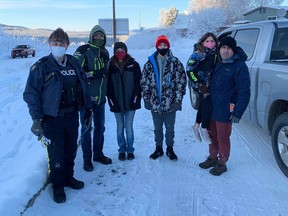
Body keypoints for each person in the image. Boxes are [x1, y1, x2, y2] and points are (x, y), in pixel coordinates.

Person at [23, 28, 92, 203]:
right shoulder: (42, 66)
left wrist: (87, 110)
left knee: (70, 150)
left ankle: (69, 177)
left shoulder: (74, 64)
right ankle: (58, 185)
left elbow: (83, 87)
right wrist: (36, 119)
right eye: (55, 42)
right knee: (56, 153)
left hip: (71, 115)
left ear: (67, 45)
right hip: (52, 119)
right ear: (50, 44)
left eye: (62, 42)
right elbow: (31, 94)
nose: (58, 45)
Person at [199, 36, 251, 176]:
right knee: (212, 135)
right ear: (219, 49)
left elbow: (244, 91)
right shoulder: (217, 62)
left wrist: (238, 112)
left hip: (226, 109)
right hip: (212, 107)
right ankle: (212, 157)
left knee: (222, 137)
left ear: (233, 50)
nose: (225, 51)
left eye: (228, 48)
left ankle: (222, 162)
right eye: (223, 47)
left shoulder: (239, 66)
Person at [141, 35, 187, 161]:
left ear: (168, 46)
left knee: (170, 127)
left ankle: (170, 148)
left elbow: (181, 82)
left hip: (170, 103)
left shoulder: (175, 62)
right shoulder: (150, 63)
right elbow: (144, 82)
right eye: (160, 45)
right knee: (157, 128)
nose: (163, 47)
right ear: (157, 47)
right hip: (155, 103)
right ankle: (158, 148)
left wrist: (178, 100)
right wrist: (146, 99)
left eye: (165, 45)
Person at [74, 25, 112, 172]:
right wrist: (93, 73)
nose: (98, 38)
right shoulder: (83, 51)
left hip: (101, 99)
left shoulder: (105, 52)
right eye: (95, 35)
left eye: (101, 36)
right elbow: (77, 73)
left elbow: (107, 73)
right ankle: (86, 159)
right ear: (91, 36)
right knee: (86, 129)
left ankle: (98, 154)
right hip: (86, 100)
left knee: (100, 128)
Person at [107, 42, 142, 161]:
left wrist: (135, 99)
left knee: (129, 127)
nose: (120, 52)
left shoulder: (134, 65)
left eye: (122, 49)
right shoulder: (110, 66)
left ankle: (130, 150)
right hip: (117, 103)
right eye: (117, 50)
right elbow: (108, 87)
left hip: (130, 103)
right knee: (119, 127)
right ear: (114, 52)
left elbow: (139, 84)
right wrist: (112, 102)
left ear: (126, 51)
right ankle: (121, 150)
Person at [186, 32, 218, 143]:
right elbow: (189, 70)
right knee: (208, 105)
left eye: (212, 41)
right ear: (203, 42)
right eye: (207, 41)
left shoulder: (214, 53)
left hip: (209, 85)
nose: (210, 43)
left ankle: (196, 126)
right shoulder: (198, 54)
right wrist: (199, 84)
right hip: (200, 85)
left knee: (203, 105)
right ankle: (204, 128)